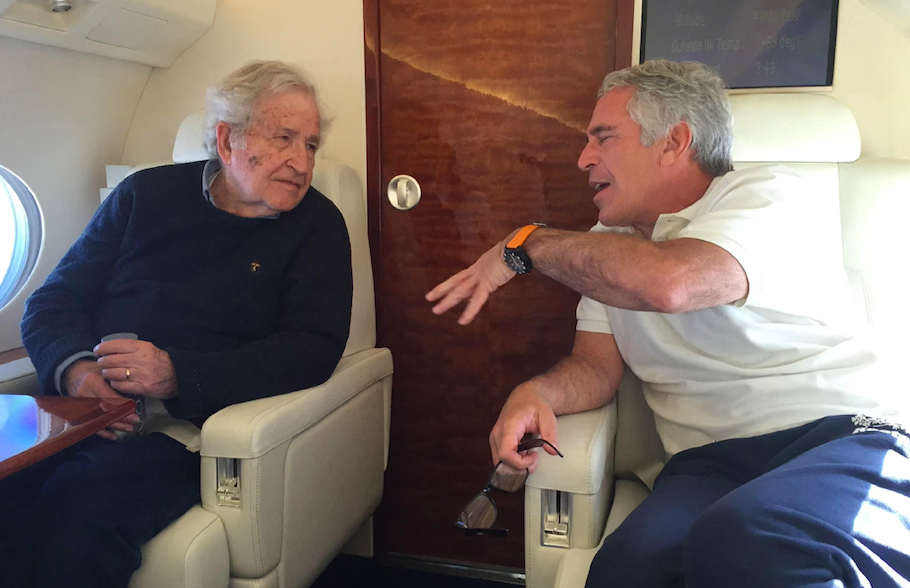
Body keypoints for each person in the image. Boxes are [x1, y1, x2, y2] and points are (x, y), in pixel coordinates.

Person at [427, 59, 910, 587]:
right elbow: (595, 367)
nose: (584, 158)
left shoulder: (770, 194)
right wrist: (534, 393)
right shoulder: (604, 250)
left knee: (748, 538)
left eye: (603, 138)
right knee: (625, 570)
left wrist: (527, 243)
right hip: (707, 467)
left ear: (673, 142)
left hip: (838, 439)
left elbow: (671, 284)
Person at [1, 60, 353, 588]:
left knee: (77, 512)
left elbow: (311, 349)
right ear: (227, 140)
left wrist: (176, 375)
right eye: (283, 138)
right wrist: (78, 375)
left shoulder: (317, 227)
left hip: (185, 433)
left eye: (311, 145)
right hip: (85, 413)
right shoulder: (143, 195)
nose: (301, 163)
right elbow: (53, 300)